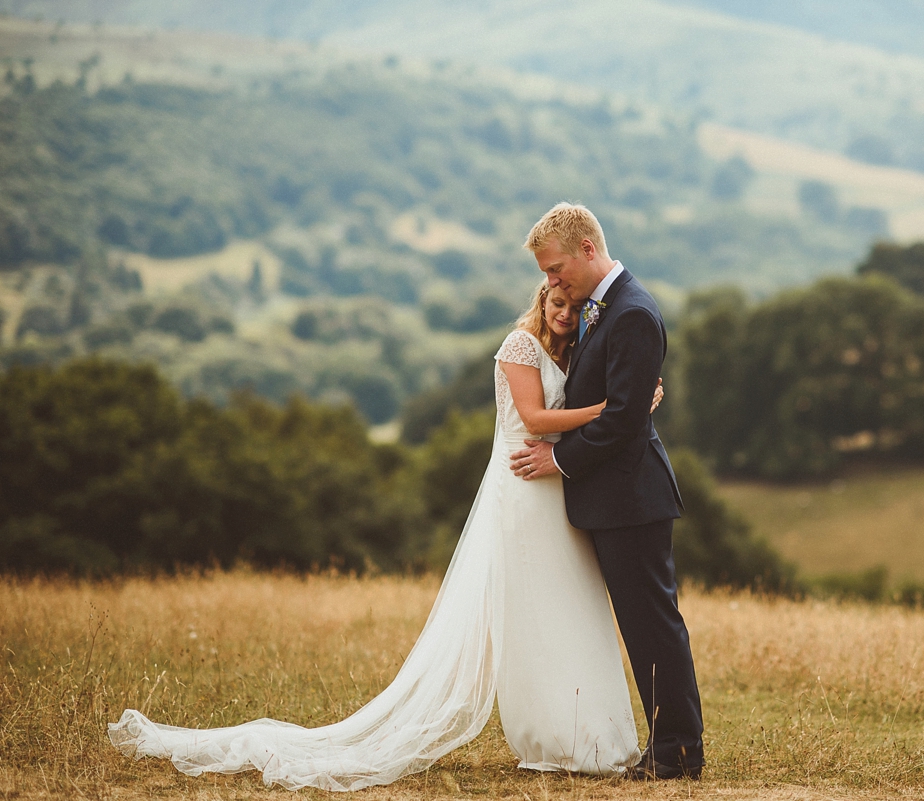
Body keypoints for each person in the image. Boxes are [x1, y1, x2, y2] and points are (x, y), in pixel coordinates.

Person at [107, 280, 662, 791]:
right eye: (555, 303)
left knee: (563, 608)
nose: (564, 314)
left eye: (571, 306)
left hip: (553, 489)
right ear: (540, 301)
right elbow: (535, 419)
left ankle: (579, 731)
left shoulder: (570, 351)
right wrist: (618, 407)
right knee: (537, 612)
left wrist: (630, 402)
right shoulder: (518, 346)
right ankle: (554, 739)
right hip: (523, 488)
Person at [510, 202, 705, 780]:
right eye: (546, 273)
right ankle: (669, 746)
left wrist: (556, 459)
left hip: (632, 497)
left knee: (653, 623)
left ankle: (677, 752)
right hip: (616, 499)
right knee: (641, 623)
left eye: (555, 268)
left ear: (587, 250)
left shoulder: (632, 314)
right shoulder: (604, 309)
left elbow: (623, 420)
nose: (550, 282)